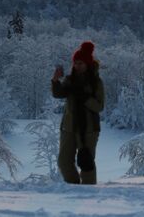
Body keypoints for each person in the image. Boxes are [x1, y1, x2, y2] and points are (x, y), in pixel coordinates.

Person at [51, 41, 104, 184]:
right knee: (63, 162)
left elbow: (99, 106)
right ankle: (74, 188)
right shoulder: (70, 80)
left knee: (86, 162)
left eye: (80, 63)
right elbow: (59, 94)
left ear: (87, 64)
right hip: (68, 126)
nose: (77, 66)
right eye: (75, 63)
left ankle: (88, 193)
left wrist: (84, 97)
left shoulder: (95, 82)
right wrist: (55, 80)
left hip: (89, 128)